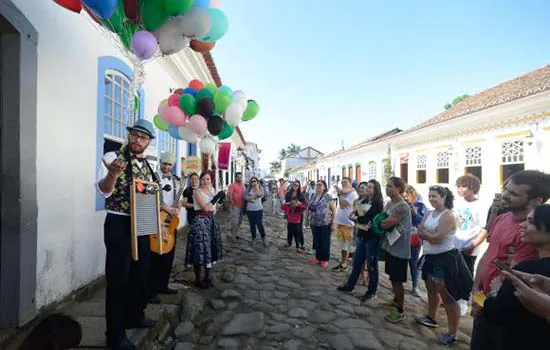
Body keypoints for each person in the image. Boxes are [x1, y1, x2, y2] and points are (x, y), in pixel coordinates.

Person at [470, 170, 550, 350]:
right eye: (506, 189)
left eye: (514, 194)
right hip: (485, 304)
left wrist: (485, 302)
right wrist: (476, 292)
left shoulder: (533, 237)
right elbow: (488, 256)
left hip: (505, 313)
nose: (505, 195)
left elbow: (511, 279)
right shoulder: (502, 219)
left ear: (537, 200)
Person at [96, 119, 157, 350]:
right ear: (129, 135)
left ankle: (135, 315)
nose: (137, 140)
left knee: (141, 274)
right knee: (118, 279)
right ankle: (115, 335)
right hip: (119, 224)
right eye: (135, 135)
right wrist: (112, 174)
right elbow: (103, 190)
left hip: (142, 225)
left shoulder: (149, 166)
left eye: (143, 137)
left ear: (149, 142)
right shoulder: (112, 158)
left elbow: (151, 195)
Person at [483, 204, 550, 349]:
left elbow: (498, 312)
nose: (523, 225)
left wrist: (495, 293)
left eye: (531, 221)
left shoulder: (527, 270)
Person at [415, 186, 473, 345]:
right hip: (429, 257)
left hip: (444, 259)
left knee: (448, 296)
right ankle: (431, 317)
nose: (432, 199)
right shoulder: (429, 212)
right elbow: (421, 231)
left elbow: (436, 238)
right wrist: (428, 235)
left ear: (444, 197)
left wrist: (427, 235)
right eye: (430, 196)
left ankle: (452, 332)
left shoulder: (448, 216)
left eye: (435, 196)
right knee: (431, 289)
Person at [337, 180, 384, 298]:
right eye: (367, 186)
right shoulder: (363, 200)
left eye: (370, 187)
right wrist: (356, 217)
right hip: (362, 234)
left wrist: (356, 217)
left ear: (376, 189)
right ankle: (350, 285)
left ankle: (372, 291)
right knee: (357, 262)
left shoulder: (377, 203)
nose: (367, 188)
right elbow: (358, 215)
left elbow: (368, 218)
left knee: (371, 264)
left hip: (372, 237)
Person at [148, 152, 181, 304]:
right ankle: (151, 290)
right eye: (164, 164)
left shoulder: (176, 181)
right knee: (154, 256)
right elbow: (149, 198)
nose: (167, 167)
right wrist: (165, 208)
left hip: (171, 222)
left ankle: (163, 285)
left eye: (169, 165)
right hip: (156, 220)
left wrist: (177, 209)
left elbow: (178, 200)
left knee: (168, 256)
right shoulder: (152, 178)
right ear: (160, 162)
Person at [379, 177, 412, 323]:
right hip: (390, 246)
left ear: (399, 189)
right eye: (386, 186)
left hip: (400, 249)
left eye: (390, 186)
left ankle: (400, 310)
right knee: (392, 277)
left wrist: (376, 223)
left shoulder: (402, 206)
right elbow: (383, 217)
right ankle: (395, 300)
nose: (387, 189)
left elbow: (387, 222)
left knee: (397, 280)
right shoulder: (389, 203)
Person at [184, 172, 222, 289]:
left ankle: (207, 277)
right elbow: (205, 207)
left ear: (211, 180)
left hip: (211, 221)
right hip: (200, 221)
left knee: (209, 248)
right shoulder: (197, 192)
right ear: (201, 180)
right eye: (204, 179)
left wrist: (220, 201)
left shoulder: (213, 190)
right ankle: (198, 279)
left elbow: (214, 207)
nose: (206, 181)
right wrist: (216, 198)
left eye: (208, 179)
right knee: (199, 249)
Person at [307, 180, 337, 268]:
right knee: (316, 241)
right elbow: (309, 208)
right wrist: (306, 219)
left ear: (324, 187)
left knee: (325, 242)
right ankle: (317, 257)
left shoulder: (328, 197)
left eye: (320, 185)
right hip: (314, 223)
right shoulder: (313, 195)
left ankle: (324, 259)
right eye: (317, 185)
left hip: (325, 223)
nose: (318, 187)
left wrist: (333, 222)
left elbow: (334, 210)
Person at [403, 185, 427, 297]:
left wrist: (414, 213)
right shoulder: (401, 204)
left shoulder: (421, 206)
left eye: (407, 196)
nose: (405, 199)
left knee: (413, 263)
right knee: (402, 263)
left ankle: (415, 286)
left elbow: (422, 221)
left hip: (414, 238)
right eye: (404, 197)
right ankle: (400, 285)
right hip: (401, 237)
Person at [332, 177, 359, 273]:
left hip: (348, 223)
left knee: (346, 245)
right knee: (342, 245)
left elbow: (343, 205)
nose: (343, 183)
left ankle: (344, 264)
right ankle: (343, 262)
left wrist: (339, 194)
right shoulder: (345, 193)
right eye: (342, 182)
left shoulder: (352, 194)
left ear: (350, 183)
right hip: (342, 222)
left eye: (345, 182)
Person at [246, 177, 267, 247]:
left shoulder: (260, 189)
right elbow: (245, 197)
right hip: (250, 210)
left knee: (259, 224)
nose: (253, 183)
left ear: (257, 182)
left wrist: (257, 188)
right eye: (252, 181)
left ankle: (263, 238)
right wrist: (253, 197)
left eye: (255, 181)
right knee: (252, 225)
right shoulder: (248, 189)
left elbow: (260, 195)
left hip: (258, 209)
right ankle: (253, 238)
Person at [227, 172, 246, 239]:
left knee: (240, 221)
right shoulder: (232, 185)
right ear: (235, 177)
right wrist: (232, 204)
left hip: (242, 206)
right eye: (238, 177)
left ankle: (237, 233)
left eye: (240, 177)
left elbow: (245, 195)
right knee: (234, 221)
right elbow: (230, 195)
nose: (239, 178)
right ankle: (232, 234)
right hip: (235, 206)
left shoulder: (243, 186)